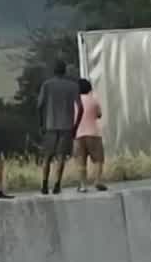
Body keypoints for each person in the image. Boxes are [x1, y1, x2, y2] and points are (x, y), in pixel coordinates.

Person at [37, 61, 83, 194]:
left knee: (47, 157)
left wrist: (41, 124)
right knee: (61, 156)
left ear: (54, 71)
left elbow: (39, 106)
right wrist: (75, 126)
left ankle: (44, 185)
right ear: (65, 71)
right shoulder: (73, 86)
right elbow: (80, 108)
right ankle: (57, 184)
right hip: (66, 126)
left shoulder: (47, 85)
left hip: (50, 124)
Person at [73, 78, 107, 192]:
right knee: (98, 160)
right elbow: (99, 115)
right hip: (93, 133)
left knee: (81, 161)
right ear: (89, 88)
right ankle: (97, 180)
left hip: (78, 134)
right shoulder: (94, 100)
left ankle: (82, 185)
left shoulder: (74, 101)